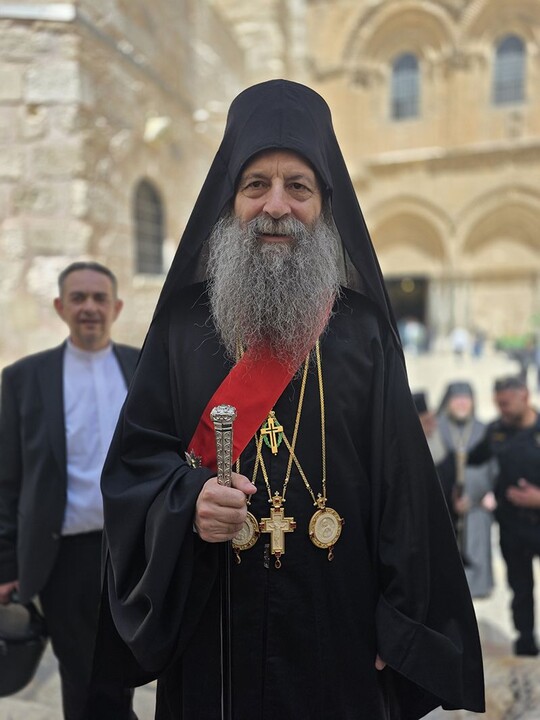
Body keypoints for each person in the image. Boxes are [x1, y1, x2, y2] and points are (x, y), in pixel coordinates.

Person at [95, 80, 484, 719]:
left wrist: (400, 621)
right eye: (256, 184)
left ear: (325, 205)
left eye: (297, 186)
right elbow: (134, 468)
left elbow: (405, 490)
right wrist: (187, 503)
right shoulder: (181, 329)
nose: (276, 206)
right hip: (215, 632)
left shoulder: (362, 331)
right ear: (230, 200)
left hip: (338, 626)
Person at [0, 262, 140, 719]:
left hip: (133, 550)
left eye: (100, 298)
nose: (89, 307)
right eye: (78, 298)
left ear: (117, 307)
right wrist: (6, 565)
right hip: (63, 557)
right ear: (61, 307)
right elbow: (7, 477)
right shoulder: (23, 378)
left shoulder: (143, 368)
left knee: (124, 669)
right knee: (81, 673)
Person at [468, 374, 540, 656]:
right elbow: (470, 458)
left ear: (525, 396)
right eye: (498, 404)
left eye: (507, 404)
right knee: (519, 587)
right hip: (512, 526)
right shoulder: (496, 430)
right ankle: (525, 640)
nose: (503, 410)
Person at [436, 382, 496, 598]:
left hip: (476, 502)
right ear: (447, 402)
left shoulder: (483, 430)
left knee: (477, 536)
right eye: (456, 399)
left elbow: (494, 465)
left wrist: (489, 492)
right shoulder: (437, 428)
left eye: (466, 399)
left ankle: (477, 588)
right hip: (443, 502)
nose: (462, 403)